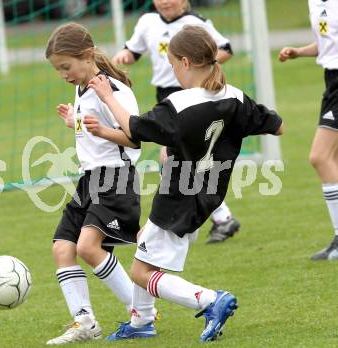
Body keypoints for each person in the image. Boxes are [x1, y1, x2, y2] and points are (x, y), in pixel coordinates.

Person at [85, 25, 283, 342]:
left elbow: (133, 129)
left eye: (172, 63)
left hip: (178, 195)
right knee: (144, 244)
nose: (172, 70)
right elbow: (277, 126)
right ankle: (141, 322)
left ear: (186, 62)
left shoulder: (179, 105)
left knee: (141, 271)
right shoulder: (235, 97)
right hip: (209, 195)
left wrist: (108, 96)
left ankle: (208, 300)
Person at [45, 22, 152, 345]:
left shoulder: (115, 91)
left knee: (88, 247)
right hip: (89, 180)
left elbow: (134, 140)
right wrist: (73, 121)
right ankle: (85, 321)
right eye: (58, 69)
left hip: (116, 179)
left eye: (66, 66)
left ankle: (140, 313)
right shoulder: (80, 87)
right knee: (62, 248)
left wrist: (102, 131)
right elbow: (92, 127)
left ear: (87, 55)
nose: (63, 74)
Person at [112, 0, 240, 244]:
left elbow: (226, 49)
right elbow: (134, 51)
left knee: (171, 158)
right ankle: (219, 218)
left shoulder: (196, 24)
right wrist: (124, 56)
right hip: (166, 96)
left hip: (194, 95)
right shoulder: (147, 22)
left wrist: (199, 67)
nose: (165, 2)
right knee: (181, 161)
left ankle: (183, 219)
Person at [278, 0, 338, 261]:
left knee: (321, 156)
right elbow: (329, 44)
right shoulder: (315, 2)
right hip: (331, 81)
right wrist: (299, 52)